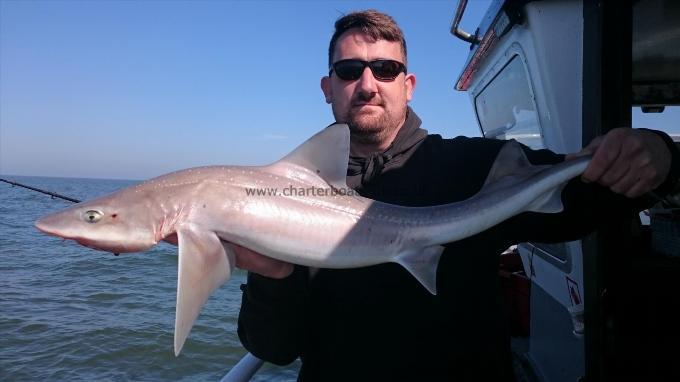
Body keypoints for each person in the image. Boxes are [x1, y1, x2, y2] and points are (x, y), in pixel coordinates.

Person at [231, 10, 680, 381]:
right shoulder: (287, 193)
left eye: (385, 69)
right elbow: (275, 347)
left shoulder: (475, 168)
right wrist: (273, 274)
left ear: (407, 86)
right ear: (328, 87)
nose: (368, 85)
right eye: (350, 71)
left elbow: (587, 200)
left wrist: (663, 156)